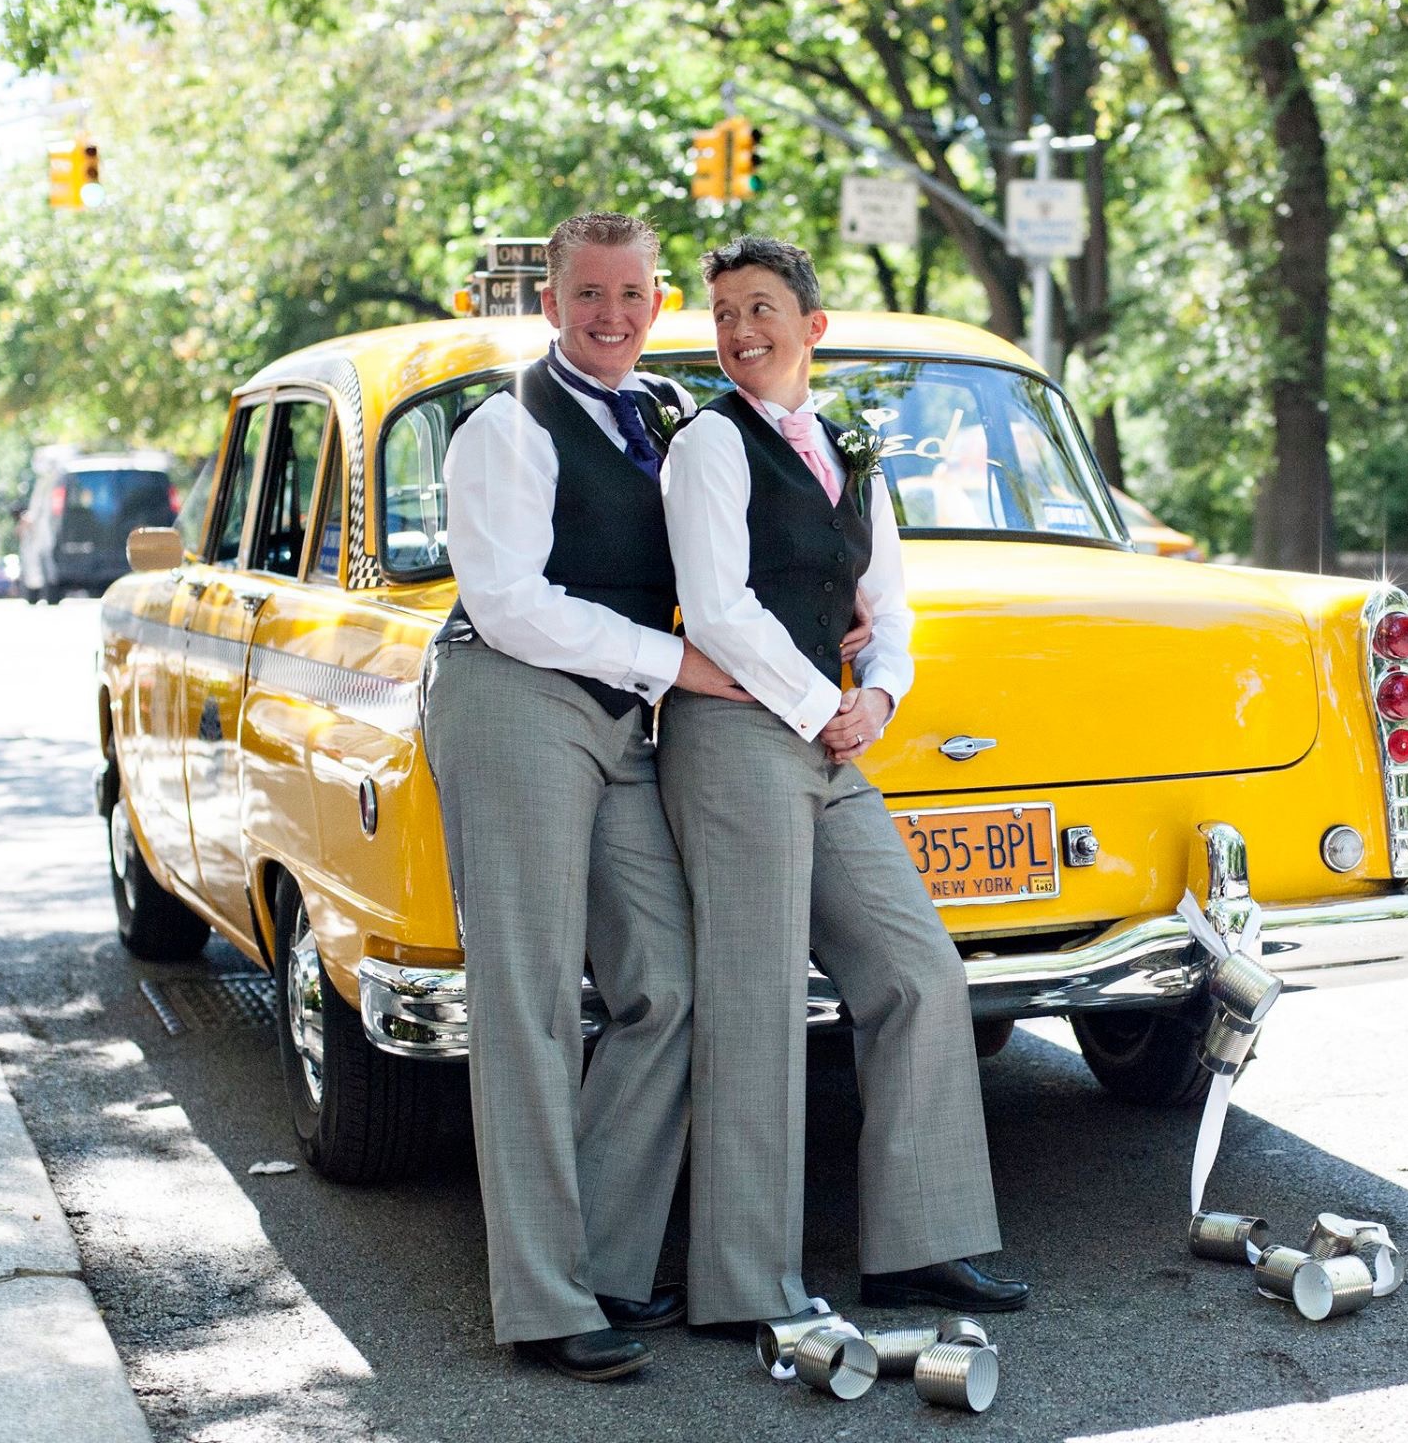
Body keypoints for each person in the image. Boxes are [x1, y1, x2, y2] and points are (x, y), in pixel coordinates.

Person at [657, 235, 1028, 1328]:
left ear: (811, 328)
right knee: (756, 1002)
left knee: (919, 973)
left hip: (829, 740)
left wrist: (882, 699)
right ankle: (742, 1285)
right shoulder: (708, 447)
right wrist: (829, 707)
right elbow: (718, 611)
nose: (738, 332)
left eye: (760, 308)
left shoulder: (852, 448)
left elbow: (892, 608)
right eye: (724, 313)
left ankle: (918, 1249)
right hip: (733, 740)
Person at [421, 211, 742, 1382]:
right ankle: (544, 1305)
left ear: (659, 302)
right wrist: (675, 667)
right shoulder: (503, 425)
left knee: (669, 981)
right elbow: (508, 601)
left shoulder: (665, 415)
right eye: (589, 294)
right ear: (549, 303)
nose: (612, 315)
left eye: (633, 294)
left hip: (617, 715)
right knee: (533, 1001)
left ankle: (604, 1262)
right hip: (511, 698)